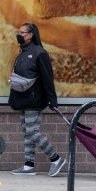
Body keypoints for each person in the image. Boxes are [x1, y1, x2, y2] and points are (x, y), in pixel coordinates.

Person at [9, 22, 66, 177]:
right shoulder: (22, 53)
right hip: (23, 100)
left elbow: (47, 78)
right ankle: (29, 165)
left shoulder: (39, 53)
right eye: (18, 32)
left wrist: (52, 100)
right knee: (27, 133)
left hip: (34, 100)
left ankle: (56, 158)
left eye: (23, 33)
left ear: (31, 35)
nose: (19, 35)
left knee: (33, 132)